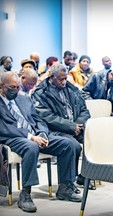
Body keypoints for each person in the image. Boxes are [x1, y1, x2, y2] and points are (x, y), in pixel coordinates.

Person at [0, 72, 82, 213]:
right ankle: (25, 194)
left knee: (67, 144)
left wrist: (42, 133)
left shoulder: (24, 99)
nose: (17, 90)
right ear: (2, 86)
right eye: (12, 87)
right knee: (31, 147)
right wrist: (31, 137)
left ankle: (65, 187)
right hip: (13, 137)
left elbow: (38, 119)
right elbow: (4, 128)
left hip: (37, 135)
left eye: (18, 86)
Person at [31, 63, 95, 192]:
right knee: (74, 146)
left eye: (65, 78)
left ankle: (84, 175)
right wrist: (71, 127)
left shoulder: (72, 89)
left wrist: (77, 125)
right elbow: (46, 116)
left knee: (94, 138)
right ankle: (68, 184)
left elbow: (84, 110)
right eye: (61, 79)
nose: (64, 82)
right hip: (55, 130)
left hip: (75, 127)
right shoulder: (40, 93)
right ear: (51, 77)